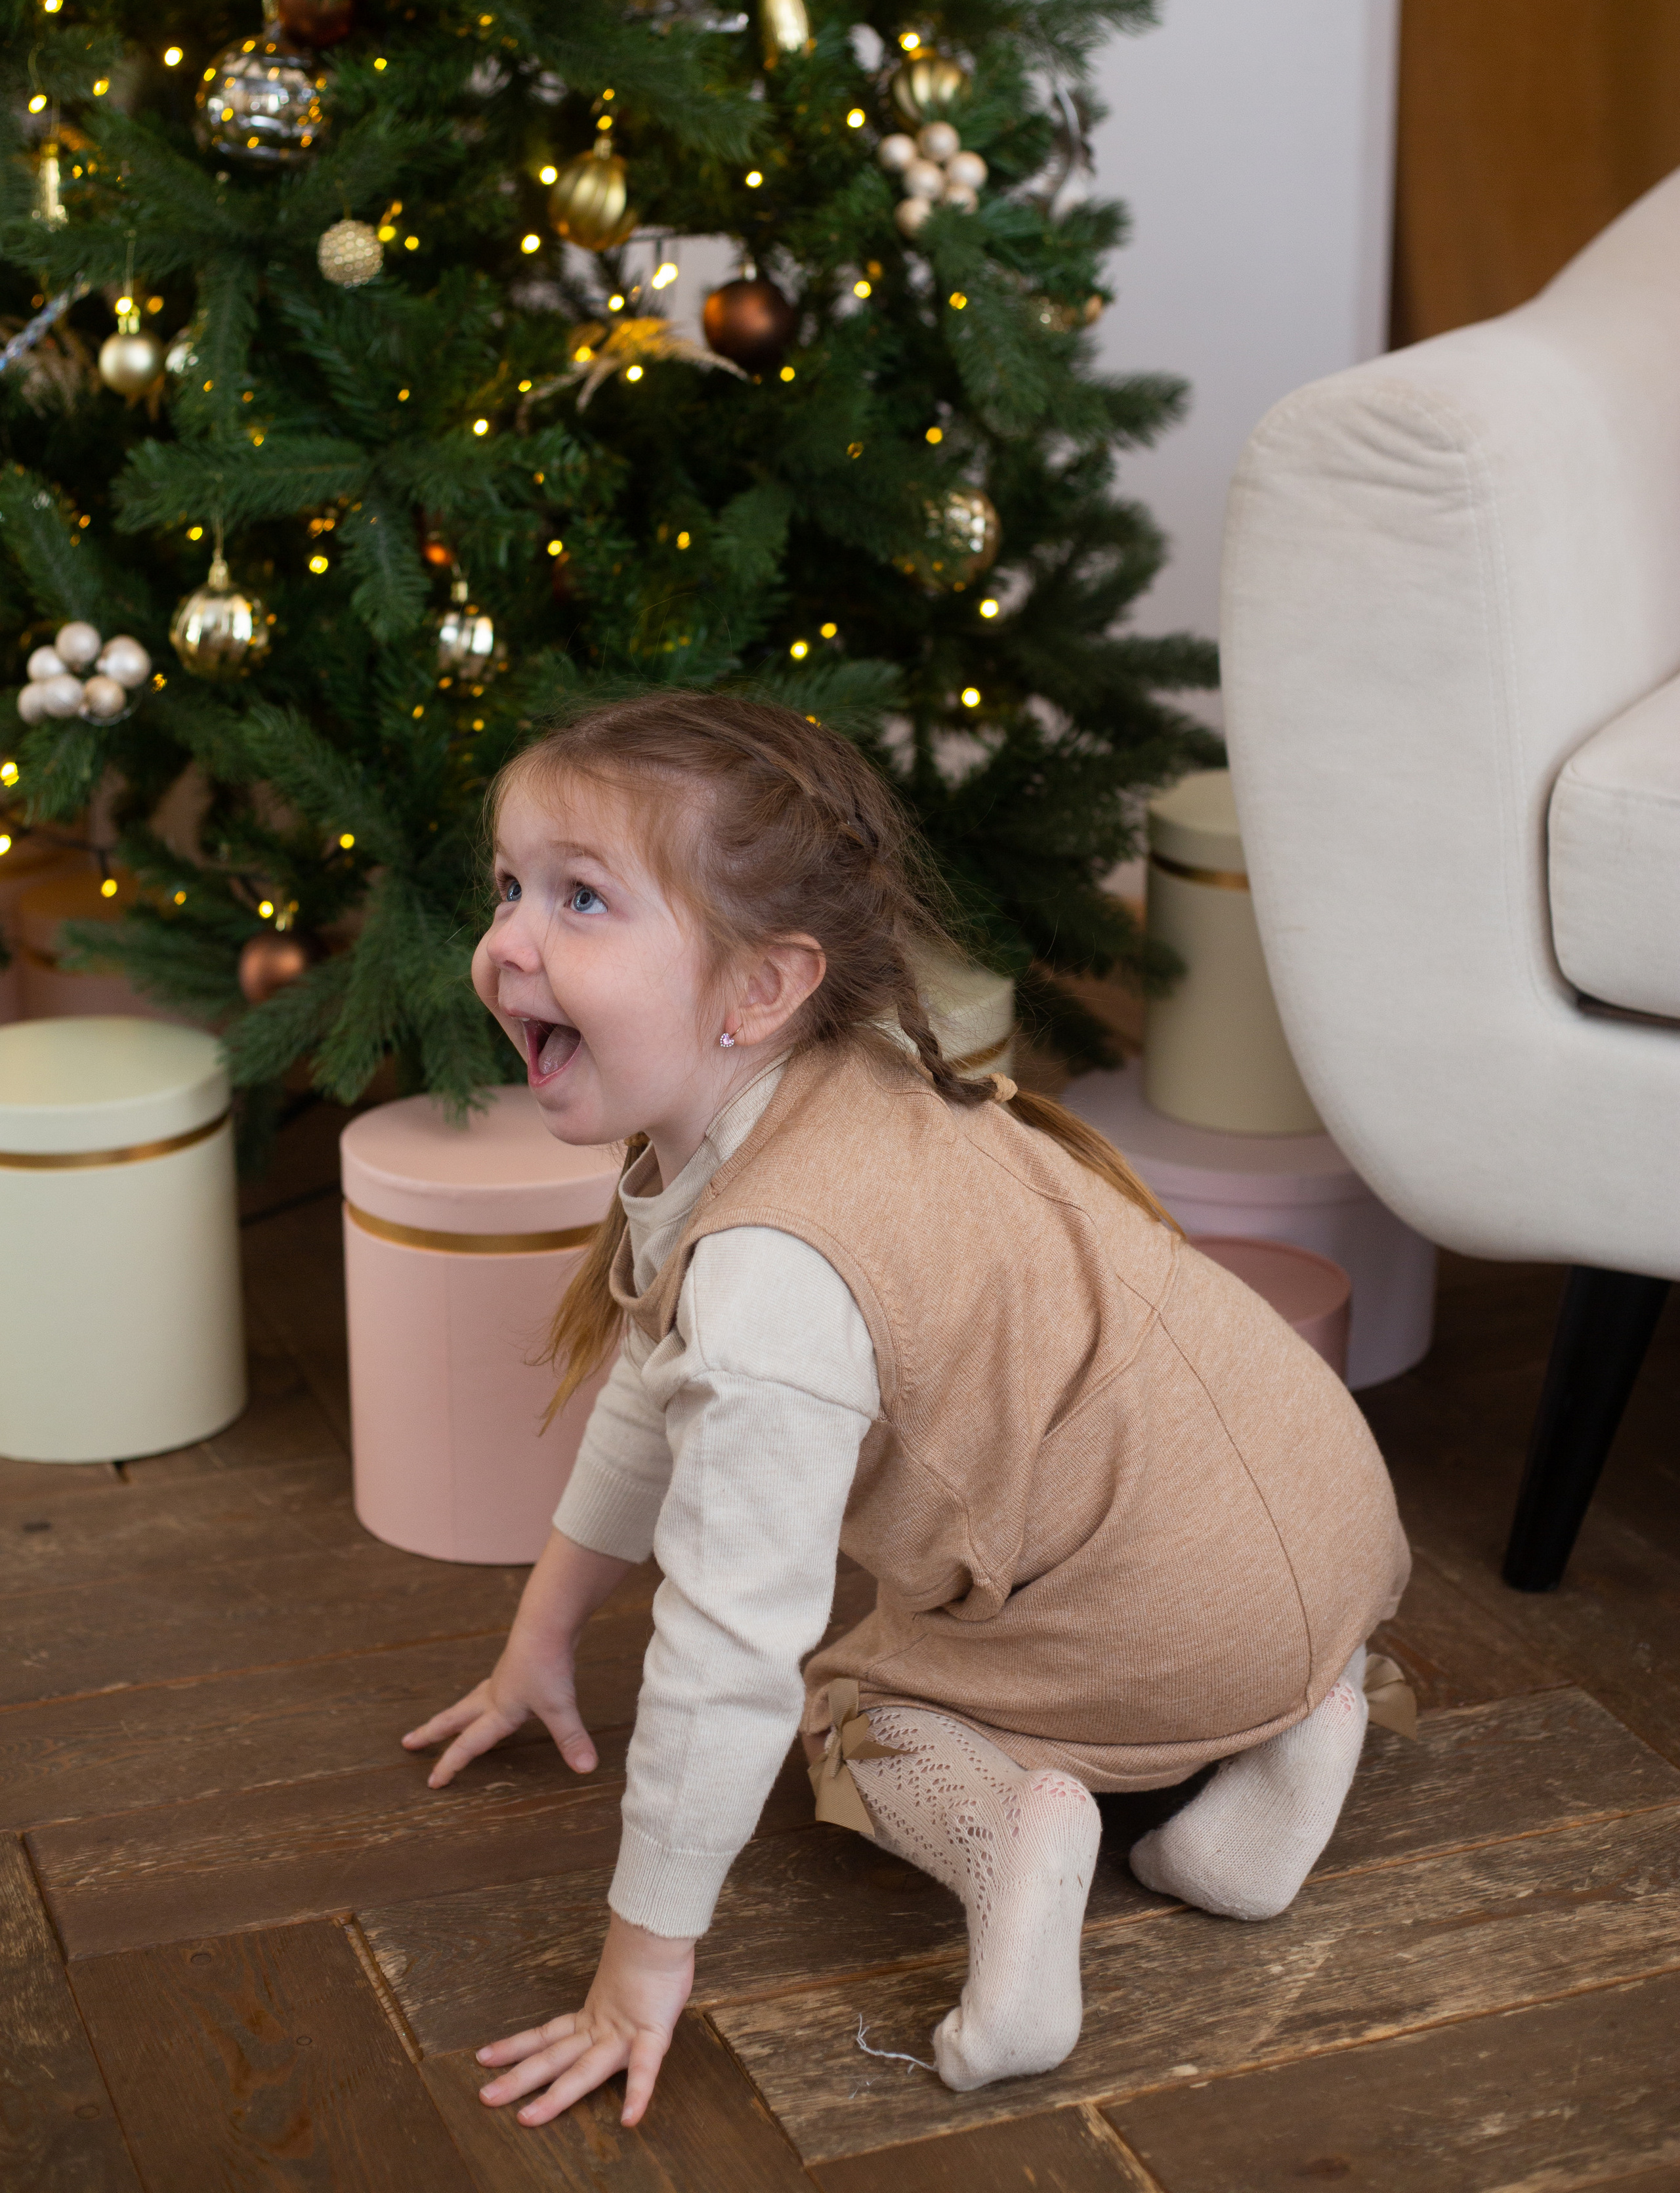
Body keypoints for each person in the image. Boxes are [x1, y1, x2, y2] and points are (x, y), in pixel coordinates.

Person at [403, 690, 1410, 2133]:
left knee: (840, 1702)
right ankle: (1292, 1728)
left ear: (758, 988)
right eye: (509, 886)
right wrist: (538, 1639)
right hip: (1321, 1514)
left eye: (579, 899)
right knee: (1219, 1617)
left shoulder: (769, 1282)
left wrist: (638, 1966)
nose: (507, 942)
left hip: (1168, 1595)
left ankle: (1017, 1836)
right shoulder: (847, 1080)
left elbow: (723, 1650)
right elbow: (650, 1375)